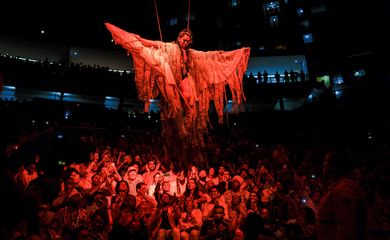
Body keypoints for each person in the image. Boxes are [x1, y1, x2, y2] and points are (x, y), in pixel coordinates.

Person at [105, 23, 250, 171]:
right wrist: (140, 39)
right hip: (170, 78)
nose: (185, 42)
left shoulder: (192, 54)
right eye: (183, 39)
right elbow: (155, 44)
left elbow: (210, 56)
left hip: (185, 78)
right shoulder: (171, 47)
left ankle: (187, 123)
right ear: (179, 38)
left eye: (188, 40)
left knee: (190, 101)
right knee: (174, 104)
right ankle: (179, 124)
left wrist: (232, 53)